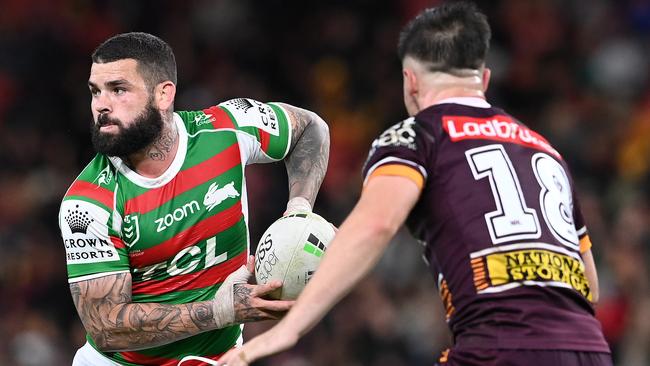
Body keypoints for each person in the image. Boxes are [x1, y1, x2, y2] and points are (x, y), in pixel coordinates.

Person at [218, 2, 612, 365]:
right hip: (590, 349)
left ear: (410, 81)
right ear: (484, 79)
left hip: (497, 347)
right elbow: (589, 286)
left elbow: (375, 225)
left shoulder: (415, 137)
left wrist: (287, 330)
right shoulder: (545, 151)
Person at [58, 32, 330, 365]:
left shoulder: (228, 127)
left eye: (118, 89)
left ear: (163, 94)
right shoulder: (87, 203)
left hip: (223, 358)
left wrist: (298, 211)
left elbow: (311, 129)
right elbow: (105, 327)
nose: (101, 104)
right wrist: (219, 312)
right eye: (95, 91)